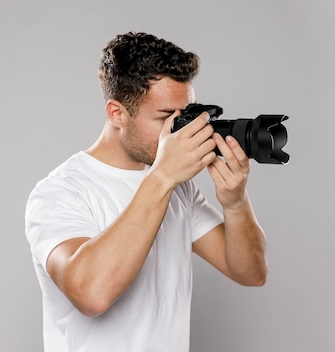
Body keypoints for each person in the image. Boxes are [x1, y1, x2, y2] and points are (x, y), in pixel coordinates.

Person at [24, 32, 268, 351]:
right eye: (166, 117)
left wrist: (235, 202)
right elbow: (91, 294)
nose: (180, 131)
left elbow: (250, 272)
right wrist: (162, 177)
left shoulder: (180, 188)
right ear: (117, 114)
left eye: (188, 115)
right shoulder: (60, 191)